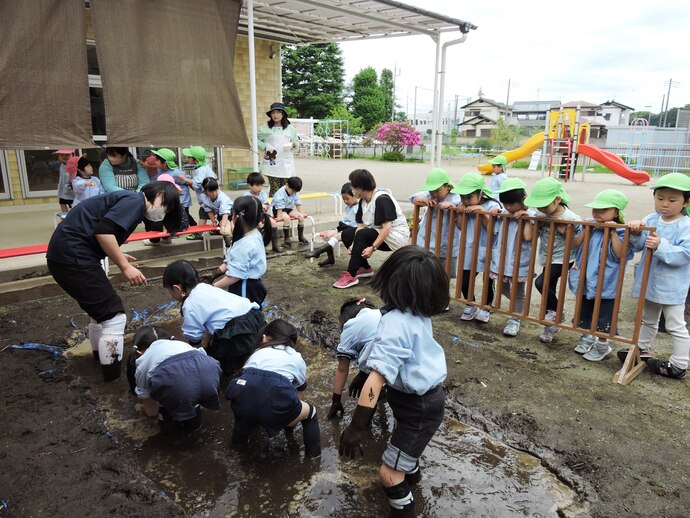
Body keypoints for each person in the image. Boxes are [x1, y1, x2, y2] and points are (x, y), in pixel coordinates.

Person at [339, 245, 449, 518]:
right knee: (403, 455)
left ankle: (404, 509)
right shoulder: (415, 312)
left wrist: (355, 427)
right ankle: (412, 479)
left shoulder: (396, 322)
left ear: (392, 282)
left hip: (418, 406)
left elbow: (376, 380)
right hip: (422, 399)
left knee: (388, 473)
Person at [47, 181, 182, 381]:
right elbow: (103, 231)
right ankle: (111, 376)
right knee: (114, 316)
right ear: (160, 193)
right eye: (167, 205)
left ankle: (99, 359)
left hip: (65, 255)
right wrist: (123, 266)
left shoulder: (128, 200)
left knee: (101, 314)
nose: (164, 212)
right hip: (74, 257)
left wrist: (118, 255)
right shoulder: (135, 201)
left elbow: (98, 230)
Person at [225, 319, 321, 458]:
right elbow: (299, 392)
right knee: (311, 412)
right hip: (274, 397)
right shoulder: (296, 357)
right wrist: (291, 421)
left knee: (245, 415)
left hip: (242, 396)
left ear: (264, 337)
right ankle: (313, 459)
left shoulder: (257, 352)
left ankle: (237, 450)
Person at [626, 173, 690, 379]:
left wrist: (661, 245)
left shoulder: (686, 225)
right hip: (649, 280)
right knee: (648, 318)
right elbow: (637, 247)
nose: (665, 204)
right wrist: (636, 232)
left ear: (686, 202)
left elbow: (685, 254)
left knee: (675, 323)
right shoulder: (650, 219)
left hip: (672, 284)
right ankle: (642, 350)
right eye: (660, 198)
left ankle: (680, 364)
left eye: (672, 200)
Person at [568, 190, 640, 361]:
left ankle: (602, 345)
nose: (597, 213)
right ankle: (586, 338)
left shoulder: (622, 230)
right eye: (595, 209)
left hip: (607, 282)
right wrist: (585, 231)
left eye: (603, 209)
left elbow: (621, 254)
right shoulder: (591, 226)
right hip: (587, 279)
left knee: (603, 315)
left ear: (616, 212)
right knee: (585, 310)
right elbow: (573, 245)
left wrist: (613, 232)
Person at [162, 260, 265, 375]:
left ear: (177, 289)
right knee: (249, 349)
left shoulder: (190, 304)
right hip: (254, 317)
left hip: (238, 332)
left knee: (221, 359)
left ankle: (234, 373)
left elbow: (193, 336)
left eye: (170, 291)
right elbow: (217, 316)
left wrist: (199, 349)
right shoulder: (205, 287)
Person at [129, 325, 222, 434]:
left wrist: (143, 408)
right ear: (172, 338)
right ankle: (195, 426)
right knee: (192, 398)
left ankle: (171, 436)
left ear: (139, 351)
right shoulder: (182, 344)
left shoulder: (143, 363)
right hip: (211, 371)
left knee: (168, 407)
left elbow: (151, 412)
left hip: (177, 388)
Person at [524, 177, 582, 343]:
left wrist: (566, 233)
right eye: (539, 205)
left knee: (541, 283)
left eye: (545, 205)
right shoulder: (543, 214)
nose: (541, 208)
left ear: (558, 199)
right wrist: (535, 221)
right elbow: (533, 226)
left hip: (564, 258)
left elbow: (579, 240)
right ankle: (551, 327)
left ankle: (556, 312)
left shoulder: (571, 217)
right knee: (549, 287)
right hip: (549, 258)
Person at [334, 169, 410, 289]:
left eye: (353, 187)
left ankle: (351, 275)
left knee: (363, 234)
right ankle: (364, 268)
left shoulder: (381, 199)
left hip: (396, 237)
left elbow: (387, 227)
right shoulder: (363, 201)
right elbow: (361, 225)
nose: (352, 190)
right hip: (379, 234)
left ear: (360, 188)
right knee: (347, 233)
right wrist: (353, 244)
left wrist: (372, 248)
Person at [451, 172, 501, 322]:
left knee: (488, 280)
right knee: (464, 279)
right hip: (468, 247)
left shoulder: (492, 205)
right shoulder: (463, 206)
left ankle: (486, 307)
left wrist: (483, 213)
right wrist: (460, 213)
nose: (465, 201)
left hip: (487, 248)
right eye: (462, 197)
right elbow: (460, 226)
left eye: (469, 197)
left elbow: (492, 230)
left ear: (480, 193)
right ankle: (470, 304)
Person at [488, 178, 535, 336]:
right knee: (502, 287)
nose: (508, 207)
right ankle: (520, 306)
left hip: (518, 261)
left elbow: (528, 237)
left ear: (523, 199)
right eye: (505, 204)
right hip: (502, 259)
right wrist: (495, 215)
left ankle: (514, 319)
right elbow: (493, 230)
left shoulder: (531, 215)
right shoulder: (505, 214)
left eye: (511, 204)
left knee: (518, 291)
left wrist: (527, 218)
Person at [326, 297, 382, 420]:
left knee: (368, 388)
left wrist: (336, 401)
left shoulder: (350, 326)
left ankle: (362, 426)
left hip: (382, 364)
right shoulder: (380, 313)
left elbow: (342, 369)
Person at [211, 196, 272, 305]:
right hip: (253, 285)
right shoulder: (253, 233)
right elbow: (232, 259)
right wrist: (215, 273)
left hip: (245, 287)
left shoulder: (245, 244)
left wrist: (213, 287)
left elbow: (234, 276)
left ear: (235, 217)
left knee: (244, 316)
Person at [409, 168, 460, 276]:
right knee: (424, 272)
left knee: (444, 274)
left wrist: (452, 207)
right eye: (431, 190)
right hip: (426, 242)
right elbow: (413, 198)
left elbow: (461, 208)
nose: (434, 193)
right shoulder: (429, 195)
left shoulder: (456, 197)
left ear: (448, 187)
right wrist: (424, 200)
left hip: (446, 246)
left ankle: (441, 292)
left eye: (437, 190)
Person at [306, 182, 360, 267]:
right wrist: (336, 229)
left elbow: (354, 225)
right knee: (328, 235)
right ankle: (330, 258)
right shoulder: (349, 207)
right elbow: (345, 221)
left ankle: (319, 252)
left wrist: (338, 230)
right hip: (346, 227)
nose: (345, 201)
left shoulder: (358, 208)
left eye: (347, 199)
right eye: (343, 199)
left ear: (355, 196)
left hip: (353, 231)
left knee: (334, 235)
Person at [258, 102, 299, 196]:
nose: (275, 115)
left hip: (285, 162)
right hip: (272, 162)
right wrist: (264, 147)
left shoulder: (290, 128)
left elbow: (296, 144)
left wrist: (294, 144)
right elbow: (255, 138)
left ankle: (285, 209)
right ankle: (274, 210)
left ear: (283, 114)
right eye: (273, 113)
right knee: (274, 189)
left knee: (286, 188)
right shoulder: (265, 128)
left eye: (278, 112)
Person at [179, 146, 216, 240]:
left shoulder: (201, 170)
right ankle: (216, 228)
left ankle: (199, 233)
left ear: (195, 160)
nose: (188, 158)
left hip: (206, 198)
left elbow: (197, 183)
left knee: (202, 214)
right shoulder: (205, 167)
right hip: (210, 197)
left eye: (189, 157)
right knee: (213, 213)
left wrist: (184, 179)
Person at [243, 172, 281, 253]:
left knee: (273, 223)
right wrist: (261, 206)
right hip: (252, 217)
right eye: (257, 185)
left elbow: (266, 206)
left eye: (261, 185)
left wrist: (261, 207)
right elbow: (249, 210)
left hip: (262, 214)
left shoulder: (262, 194)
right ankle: (260, 246)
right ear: (250, 185)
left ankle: (275, 245)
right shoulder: (246, 196)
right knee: (259, 224)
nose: (260, 188)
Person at [271, 176, 309, 249]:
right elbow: (279, 206)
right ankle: (287, 239)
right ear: (287, 185)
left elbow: (297, 202)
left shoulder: (294, 191)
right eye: (293, 191)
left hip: (288, 209)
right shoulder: (280, 193)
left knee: (300, 217)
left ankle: (300, 236)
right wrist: (279, 216)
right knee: (287, 218)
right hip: (278, 210)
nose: (293, 193)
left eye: (295, 192)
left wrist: (301, 213)